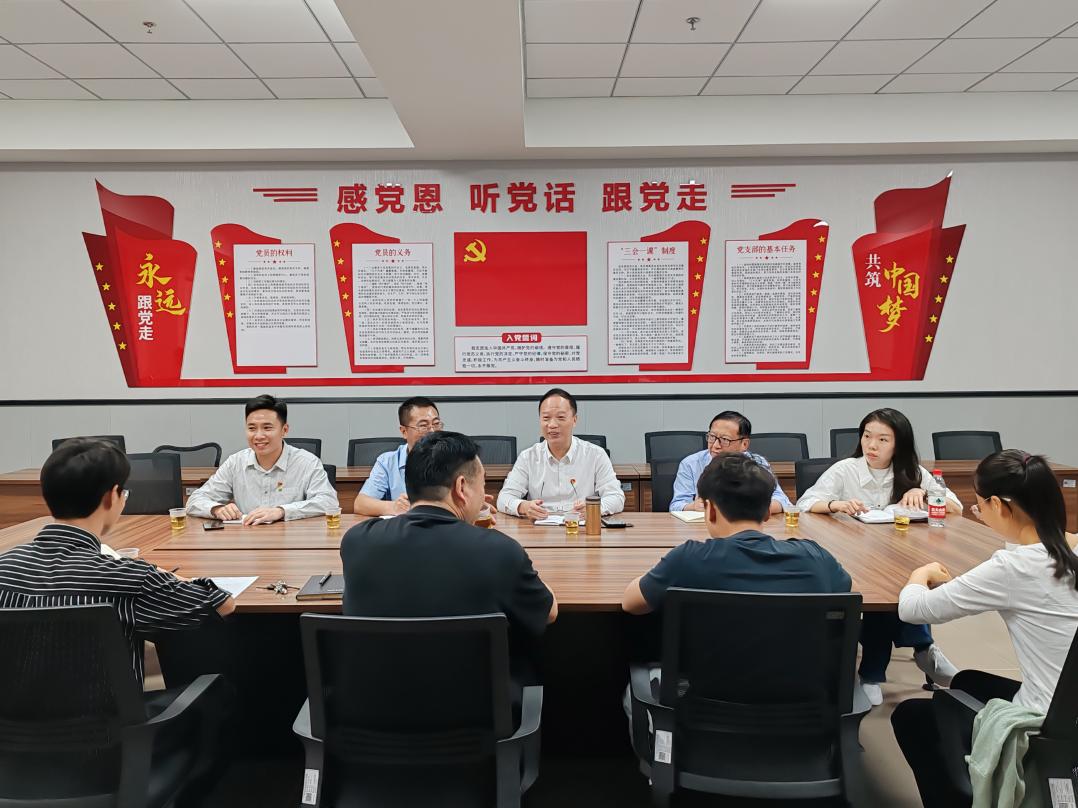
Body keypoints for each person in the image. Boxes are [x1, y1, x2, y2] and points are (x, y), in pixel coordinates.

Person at [891, 450, 1078, 808]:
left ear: (999, 505)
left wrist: (920, 574)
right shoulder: (1068, 547)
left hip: (1049, 723)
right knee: (967, 682)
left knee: (912, 716)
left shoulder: (1013, 567)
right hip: (1069, 704)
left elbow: (912, 609)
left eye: (979, 507)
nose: (980, 513)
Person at [621, 452, 852, 715]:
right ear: (768, 511)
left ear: (709, 510)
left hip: (707, 716)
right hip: (804, 716)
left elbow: (631, 603)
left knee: (633, 690)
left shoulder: (689, 559)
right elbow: (846, 589)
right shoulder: (816, 558)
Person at [0, 438, 235, 683]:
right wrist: (155, 570)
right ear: (111, 497)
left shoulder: (4, 567)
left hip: (15, 709)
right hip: (107, 709)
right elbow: (221, 604)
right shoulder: (129, 577)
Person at [342, 431, 557, 688]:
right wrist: (479, 535)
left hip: (373, 706)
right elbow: (549, 611)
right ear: (461, 487)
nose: (484, 495)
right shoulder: (500, 551)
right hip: (478, 709)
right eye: (482, 485)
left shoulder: (356, 541)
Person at [796, 408, 962, 706]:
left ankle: (873, 673)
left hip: (899, 554)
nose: (871, 445)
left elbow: (955, 506)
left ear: (899, 444)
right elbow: (805, 503)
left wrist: (924, 494)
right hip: (851, 555)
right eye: (867, 436)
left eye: (883, 439)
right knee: (888, 590)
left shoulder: (913, 472)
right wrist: (836, 504)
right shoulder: (846, 469)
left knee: (897, 584)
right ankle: (923, 649)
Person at [186, 394, 338, 525]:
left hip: (292, 542)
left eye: (267, 428)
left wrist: (282, 511)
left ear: (284, 430)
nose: (258, 436)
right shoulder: (235, 463)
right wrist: (216, 509)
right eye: (252, 428)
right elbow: (194, 501)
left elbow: (328, 501)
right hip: (247, 540)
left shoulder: (307, 462)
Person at [497, 388, 624, 519]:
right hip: (541, 528)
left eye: (560, 417)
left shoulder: (596, 455)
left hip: (580, 527)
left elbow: (616, 497)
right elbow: (504, 498)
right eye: (546, 418)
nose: (552, 425)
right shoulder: (528, 457)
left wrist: (594, 509)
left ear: (574, 420)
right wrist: (524, 507)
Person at [669, 410, 793, 514]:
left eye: (725, 440)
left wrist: (751, 508)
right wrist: (693, 506)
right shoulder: (691, 463)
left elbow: (782, 500)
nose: (715, 445)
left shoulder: (757, 463)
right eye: (712, 437)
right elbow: (676, 505)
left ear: (744, 444)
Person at [353, 396, 441, 516]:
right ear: (404, 431)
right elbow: (360, 504)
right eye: (423, 426)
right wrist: (394, 507)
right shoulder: (387, 462)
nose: (432, 431)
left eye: (436, 424)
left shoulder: (452, 458)